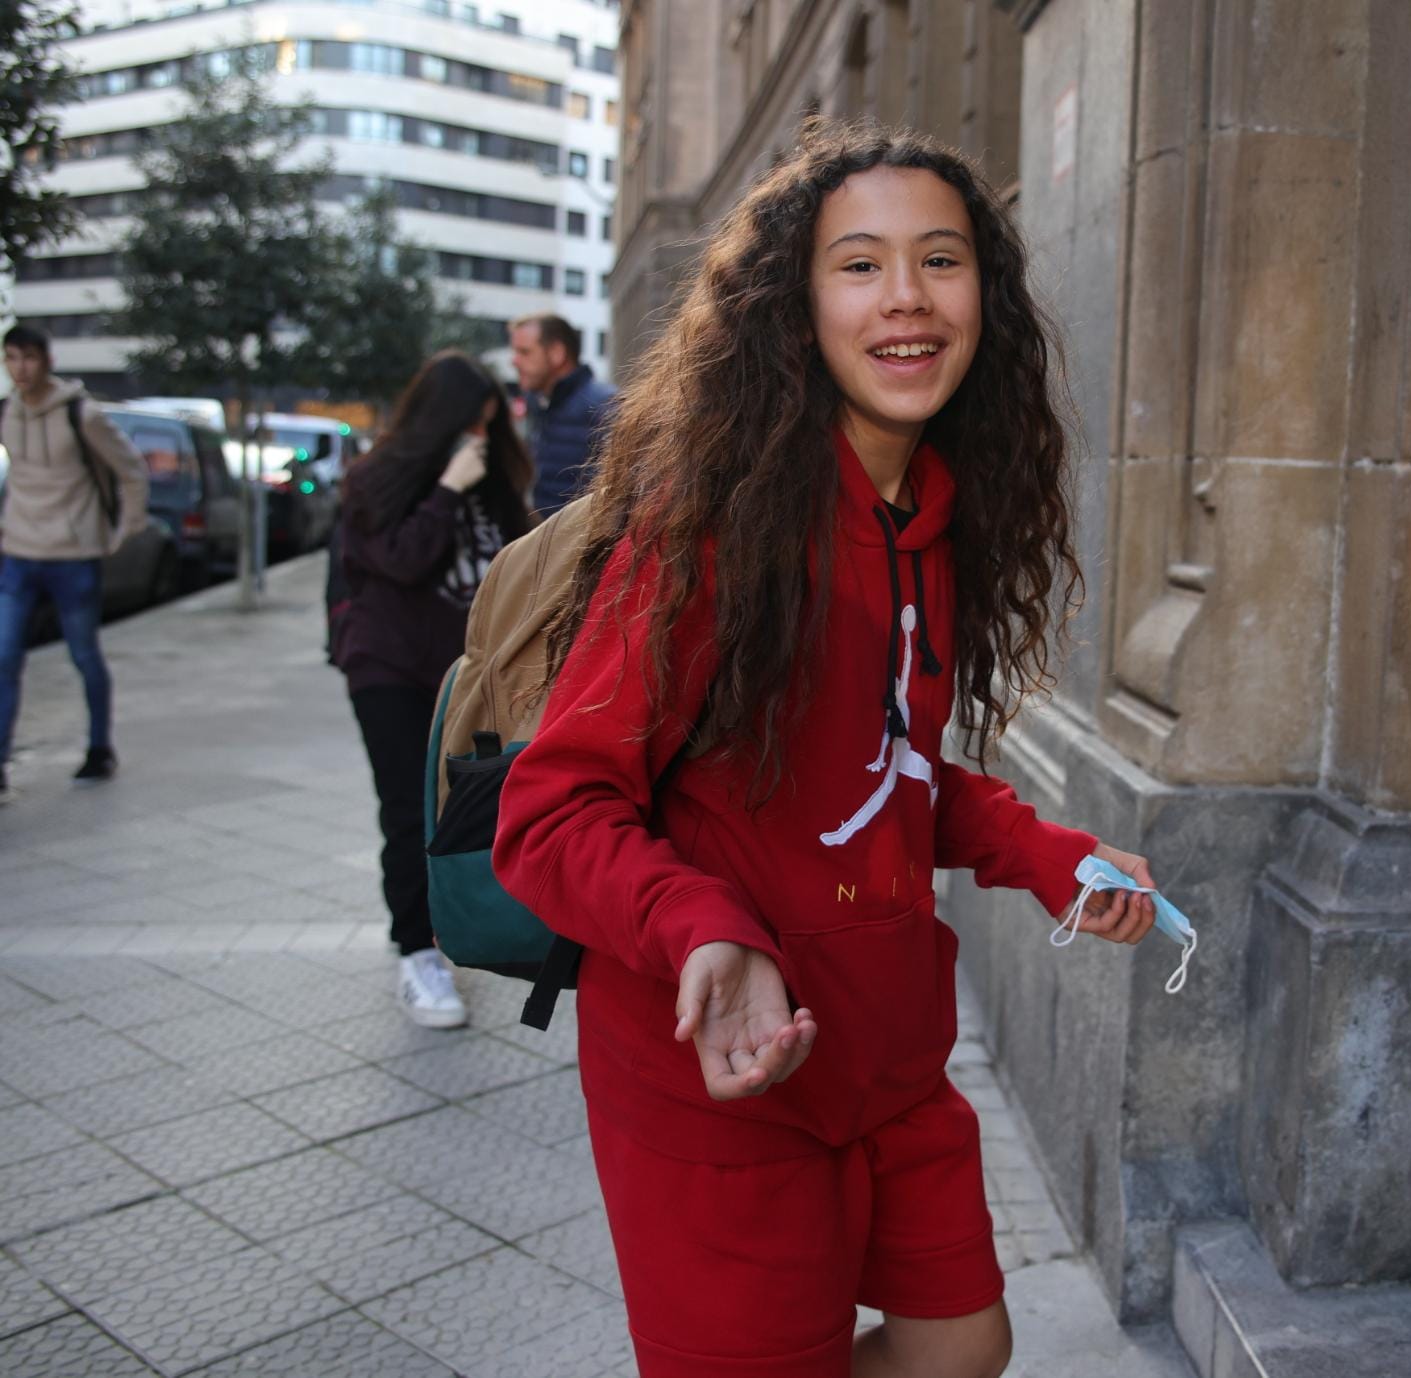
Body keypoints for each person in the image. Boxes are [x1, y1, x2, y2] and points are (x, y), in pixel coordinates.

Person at [491, 120, 1161, 1378]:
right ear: (794, 308)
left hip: (885, 1048)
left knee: (963, 1340)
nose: (906, 297)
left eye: (941, 260)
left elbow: (880, 771)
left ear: (985, 297)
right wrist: (703, 926)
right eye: (859, 264)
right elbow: (550, 815)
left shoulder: (930, 517)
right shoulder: (709, 535)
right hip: (719, 1068)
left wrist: (1049, 853)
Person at [334, 351, 531, 1027]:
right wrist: (448, 486)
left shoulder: (494, 481)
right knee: (407, 812)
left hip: (469, 676)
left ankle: (461, 929)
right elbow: (401, 561)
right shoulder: (376, 480)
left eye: (488, 421)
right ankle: (416, 953)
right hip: (389, 667)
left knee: (473, 807)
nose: (479, 433)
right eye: (470, 420)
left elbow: (523, 563)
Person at [0, 323, 149, 803]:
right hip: (19, 552)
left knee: (83, 655)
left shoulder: (80, 415)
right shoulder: (6, 413)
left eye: (27, 358)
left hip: (74, 555)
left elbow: (130, 469)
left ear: (46, 360)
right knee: (4, 658)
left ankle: (99, 747)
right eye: (10, 359)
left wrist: (125, 528)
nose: (19, 369)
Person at [506, 313, 616, 519]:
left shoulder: (604, 405)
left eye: (524, 352)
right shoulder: (538, 403)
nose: (514, 361)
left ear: (557, 353)